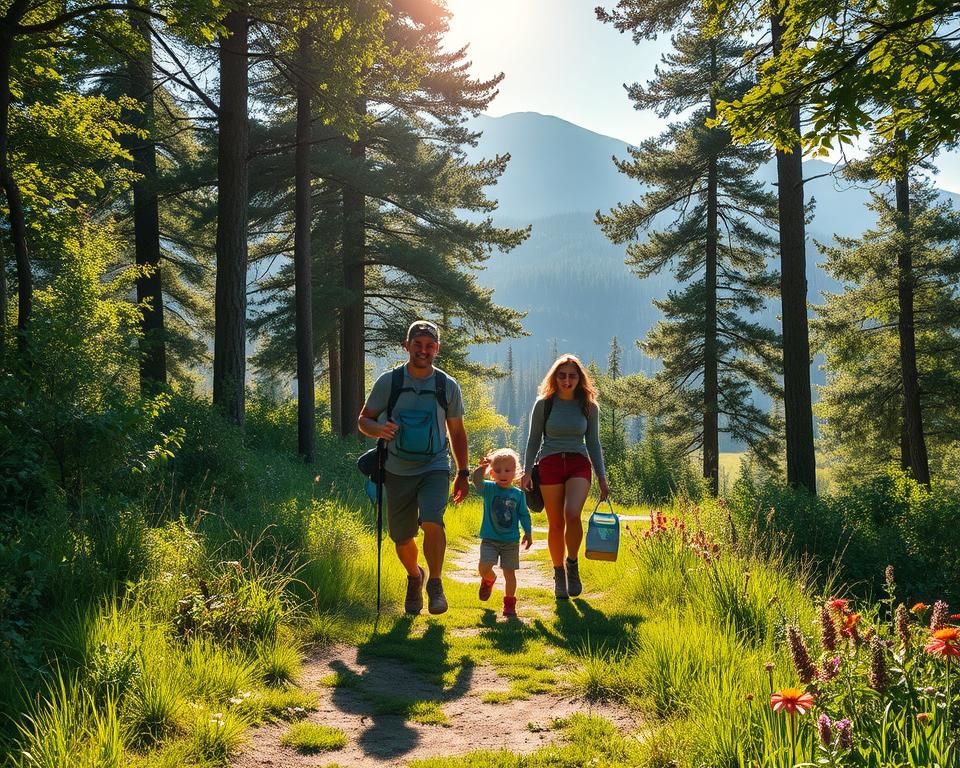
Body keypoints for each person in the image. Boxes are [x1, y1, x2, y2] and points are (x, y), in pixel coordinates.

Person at [358, 320, 470, 615]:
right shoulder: (390, 382)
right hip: (397, 469)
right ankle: (414, 576)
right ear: (406, 346)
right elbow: (363, 420)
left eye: (429, 346)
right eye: (417, 345)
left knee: (433, 519)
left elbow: (457, 433)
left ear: (437, 349)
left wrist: (463, 473)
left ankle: (435, 583)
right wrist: (379, 429)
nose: (423, 351)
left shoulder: (446, 385)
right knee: (401, 537)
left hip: (435, 466)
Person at [521, 355, 608, 600]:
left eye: (572, 376)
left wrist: (602, 477)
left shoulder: (589, 406)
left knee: (572, 514)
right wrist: (527, 471)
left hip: (578, 463)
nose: (567, 380)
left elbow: (593, 442)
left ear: (579, 379)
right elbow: (533, 440)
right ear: (554, 377)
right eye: (562, 375)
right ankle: (558, 573)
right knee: (556, 523)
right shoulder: (544, 404)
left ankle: (572, 563)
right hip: (549, 464)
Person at [472, 448, 533, 618]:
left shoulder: (518, 495)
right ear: (492, 473)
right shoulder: (489, 489)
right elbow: (476, 481)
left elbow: (524, 515)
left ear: (515, 472)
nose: (503, 474)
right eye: (498, 471)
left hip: (510, 542)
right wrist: (481, 468)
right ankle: (489, 579)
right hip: (490, 539)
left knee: (509, 572)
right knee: (484, 567)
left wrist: (528, 532)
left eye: (507, 470)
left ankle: (509, 604)